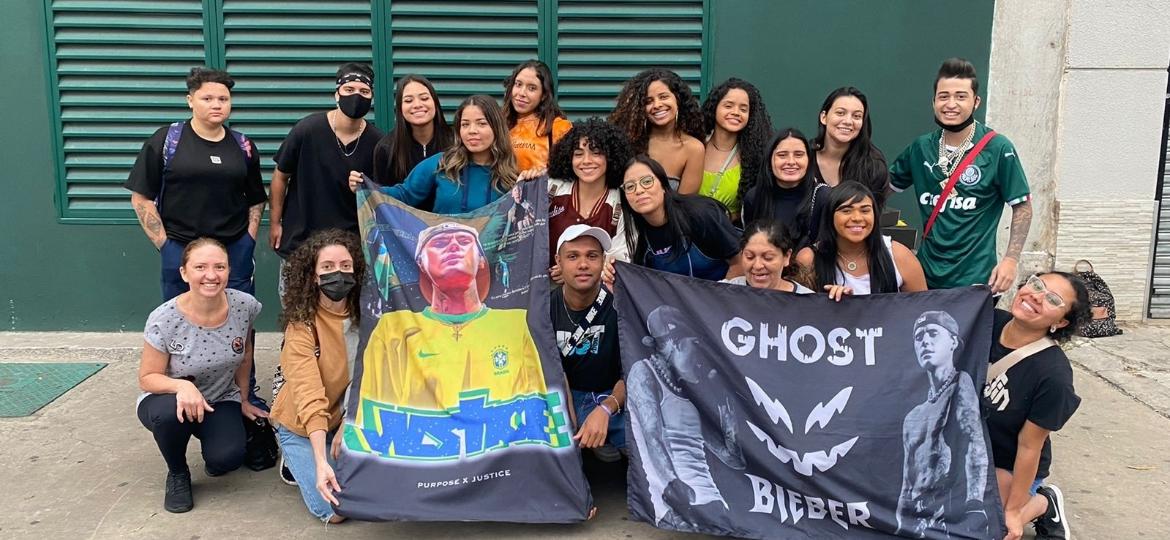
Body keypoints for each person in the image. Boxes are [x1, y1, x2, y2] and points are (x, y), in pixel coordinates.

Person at [358, 222, 546, 412]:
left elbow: (534, 406)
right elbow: (375, 413)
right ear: (420, 263)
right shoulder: (393, 330)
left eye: (464, 241)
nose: (454, 246)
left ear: (482, 259)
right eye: (440, 244)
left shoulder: (514, 325)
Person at [135, 238, 265, 513]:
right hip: (169, 400)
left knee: (226, 460)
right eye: (200, 267)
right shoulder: (164, 318)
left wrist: (243, 399)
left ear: (229, 271)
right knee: (167, 416)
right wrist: (182, 388)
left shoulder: (245, 306)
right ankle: (178, 473)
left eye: (220, 267)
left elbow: (245, 356)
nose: (211, 275)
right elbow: (147, 377)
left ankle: (213, 442)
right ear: (184, 272)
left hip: (219, 399)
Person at [889, 57, 1032, 292]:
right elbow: (878, 191)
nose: (951, 104)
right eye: (943, 96)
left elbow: (1022, 206)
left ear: (976, 102)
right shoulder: (921, 147)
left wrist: (1010, 260)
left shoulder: (997, 148)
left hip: (976, 278)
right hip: (924, 276)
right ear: (934, 101)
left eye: (960, 96)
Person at [126, 67, 267, 301]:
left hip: (233, 249)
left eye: (223, 99)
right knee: (181, 320)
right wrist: (165, 245)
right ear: (190, 101)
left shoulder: (244, 145)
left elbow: (256, 198)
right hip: (181, 247)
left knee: (239, 318)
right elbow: (141, 197)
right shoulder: (166, 140)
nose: (217, 104)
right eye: (207, 98)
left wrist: (248, 241)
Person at [269, 229, 365, 524]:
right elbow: (309, 394)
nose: (338, 274)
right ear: (313, 276)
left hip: (346, 417)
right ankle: (299, 455)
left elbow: (371, 377)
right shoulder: (302, 326)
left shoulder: (368, 316)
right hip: (301, 423)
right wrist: (322, 463)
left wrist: (349, 424)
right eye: (327, 268)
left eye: (345, 266)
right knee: (335, 510)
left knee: (375, 489)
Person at [985, 273, 1087, 540]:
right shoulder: (987, 322)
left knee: (986, 526)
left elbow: (1030, 446)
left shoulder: (1053, 375)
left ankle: (1043, 503)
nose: (1036, 296)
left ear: (1060, 322)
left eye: (1053, 299)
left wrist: (1015, 511)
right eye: (1037, 284)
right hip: (965, 448)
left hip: (1006, 463)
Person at [626, 305, 745, 530]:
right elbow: (652, 436)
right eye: (695, 344)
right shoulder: (644, 373)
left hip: (711, 500)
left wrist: (725, 409)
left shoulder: (692, 387)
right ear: (674, 343)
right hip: (675, 497)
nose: (699, 355)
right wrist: (672, 486)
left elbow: (733, 459)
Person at [270, 62, 384, 274]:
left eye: (364, 91)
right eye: (349, 89)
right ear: (337, 94)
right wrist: (275, 223)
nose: (356, 96)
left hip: (350, 250)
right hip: (301, 242)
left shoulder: (379, 142)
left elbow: (382, 197)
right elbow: (280, 176)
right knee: (296, 305)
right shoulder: (307, 129)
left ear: (371, 98)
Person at [895, 310, 990, 538]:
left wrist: (975, 505)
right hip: (916, 517)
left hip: (948, 510)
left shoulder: (961, 384)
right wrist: (898, 521)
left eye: (932, 333)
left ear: (953, 342)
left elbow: (975, 444)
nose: (925, 341)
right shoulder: (913, 416)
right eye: (919, 337)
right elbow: (907, 481)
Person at [350, 95, 518, 215]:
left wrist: (536, 179)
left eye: (481, 124)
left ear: (496, 128)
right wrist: (364, 187)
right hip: (444, 259)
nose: (472, 131)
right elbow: (404, 195)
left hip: (492, 262)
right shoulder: (441, 164)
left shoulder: (511, 176)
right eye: (465, 124)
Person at [552, 225, 627, 463]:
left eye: (592, 256)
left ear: (603, 260)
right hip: (568, 394)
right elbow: (552, 374)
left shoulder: (620, 304)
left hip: (612, 392)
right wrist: (571, 420)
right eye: (573, 256)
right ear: (559, 261)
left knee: (640, 437)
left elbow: (635, 370)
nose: (583, 264)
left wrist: (606, 409)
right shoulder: (544, 308)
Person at [796, 181, 927, 299]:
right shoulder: (809, 259)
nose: (857, 218)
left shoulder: (899, 256)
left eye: (865, 211)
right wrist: (829, 305)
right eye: (846, 211)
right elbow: (797, 313)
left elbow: (922, 310)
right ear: (830, 215)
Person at [619, 155, 741, 281]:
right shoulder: (638, 238)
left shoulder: (701, 214)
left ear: (663, 186)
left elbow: (739, 262)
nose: (638, 190)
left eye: (647, 181)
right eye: (630, 186)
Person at [547, 117, 633, 277]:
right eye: (578, 154)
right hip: (546, 291)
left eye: (596, 153)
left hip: (598, 293)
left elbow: (620, 262)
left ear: (611, 157)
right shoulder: (552, 188)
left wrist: (571, 272)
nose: (586, 161)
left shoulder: (622, 202)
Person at [609, 68, 705, 193]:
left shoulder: (694, 149)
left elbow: (685, 205)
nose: (657, 105)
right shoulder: (627, 141)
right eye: (648, 101)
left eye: (663, 97)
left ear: (678, 100)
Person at [741, 128, 828, 249]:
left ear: (809, 160)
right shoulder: (754, 197)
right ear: (769, 160)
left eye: (798, 155)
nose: (791, 162)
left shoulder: (823, 197)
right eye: (782, 155)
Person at [700, 78, 773, 220]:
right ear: (714, 108)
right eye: (728, 106)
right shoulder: (695, 146)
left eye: (743, 109)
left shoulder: (755, 156)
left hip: (730, 235)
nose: (736, 112)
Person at [371, 75, 453, 195]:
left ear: (435, 103)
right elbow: (383, 199)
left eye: (424, 98)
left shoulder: (455, 142)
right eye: (408, 100)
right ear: (400, 108)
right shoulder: (386, 148)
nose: (417, 105)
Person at [812, 86, 890, 208]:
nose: (848, 121)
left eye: (857, 116)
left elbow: (870, 218)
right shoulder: (802, 159)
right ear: (824, 117)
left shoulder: (872, 166)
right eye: (840, 113)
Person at [503, 60, 572, 176]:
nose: (521, 93)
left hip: (539, 192)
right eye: (518, 84)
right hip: (501, 193)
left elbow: (570, 171)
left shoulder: (559, 128)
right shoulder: (499, 124)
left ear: (544, 95)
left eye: (532, 88)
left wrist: (544, 173)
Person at [721, 220, 813, 293]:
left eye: (768, 258)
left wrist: (827, 303)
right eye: (750, 257)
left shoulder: (807, 303)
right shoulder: (724, 291)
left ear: (786, 256)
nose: (757, 266)